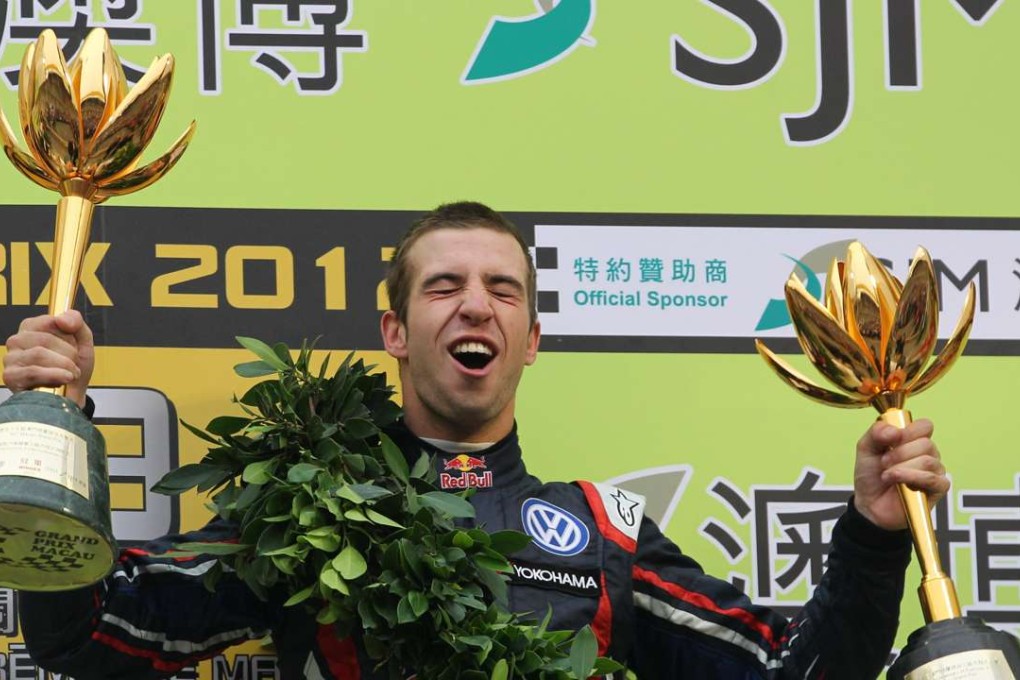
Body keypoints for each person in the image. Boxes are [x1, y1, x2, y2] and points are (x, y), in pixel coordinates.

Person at [3, 201, 948, 679]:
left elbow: (799, 674)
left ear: (531, 340)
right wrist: (58, 426)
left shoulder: (601, 532)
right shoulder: (304, 516)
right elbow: (87, 639)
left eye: (503, 289)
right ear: (394, 331)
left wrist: (870, 535)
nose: (476, 305)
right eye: (443, 285)